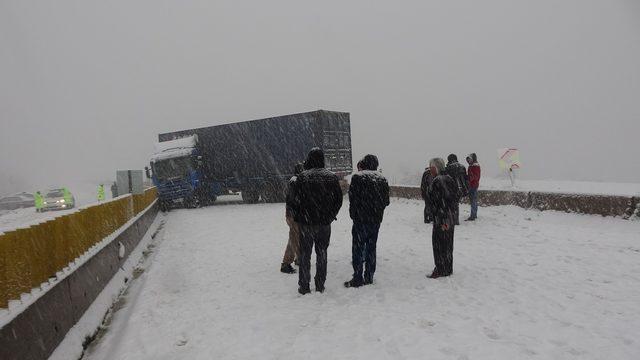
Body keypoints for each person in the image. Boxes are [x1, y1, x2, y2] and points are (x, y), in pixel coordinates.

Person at [287, 148, 343, 294]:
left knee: (305, 254)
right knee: (322, 253)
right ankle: (320, 284)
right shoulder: (331, 177)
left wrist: (299, 216)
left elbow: (293, 200)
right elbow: (338, 200)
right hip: (324, 223)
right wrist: (330, 215)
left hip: (306, 223)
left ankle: (304, 285)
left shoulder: (302, 177)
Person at [344, 154, 390, 288]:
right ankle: (369, 276)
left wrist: (355, 213)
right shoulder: (382, 179)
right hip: (375, 220)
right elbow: (386, 201)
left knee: (358, 248)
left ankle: (357, 277)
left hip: (360, 219)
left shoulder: (358, 177)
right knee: (371, 248)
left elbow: (352, 197)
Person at [427, 158, 458, 278]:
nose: (430, 170)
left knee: (439, 244)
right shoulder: (450, 179)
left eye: (432, 167)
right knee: (448, 244)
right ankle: (447, 268)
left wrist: (439, 217)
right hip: (450, 217)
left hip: (441, 218)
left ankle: (439, 269)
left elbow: (436, 202)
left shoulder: (438, 181)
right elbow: (455, 198)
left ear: (437, 168)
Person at [281, 163, 304, 274]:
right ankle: (286, 264)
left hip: (291, 215)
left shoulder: (293, 181)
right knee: (294, 239)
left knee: (298, 237)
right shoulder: (297, 182)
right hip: (295, 216)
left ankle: (299, 258)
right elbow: (297, 201)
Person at [445, 154, 469, 225]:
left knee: (451, 205)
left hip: (452, 189)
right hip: (460, 189)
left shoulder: (449, 168)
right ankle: (456, 220)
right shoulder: (462, 167)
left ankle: (452, 219)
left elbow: (447, 179)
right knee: (456, 204)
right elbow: (466, 178)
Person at [466, 153, 481, 221]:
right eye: (468, 159)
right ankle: (474, 214)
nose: (468, 160)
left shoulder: (475, 166)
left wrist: (468, 179)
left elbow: (475, 176)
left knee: (473, 201)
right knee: (473, 201)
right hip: (472, 185)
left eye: (470, 159)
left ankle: (473, 215)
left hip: (473, 185)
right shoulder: (472, 166)